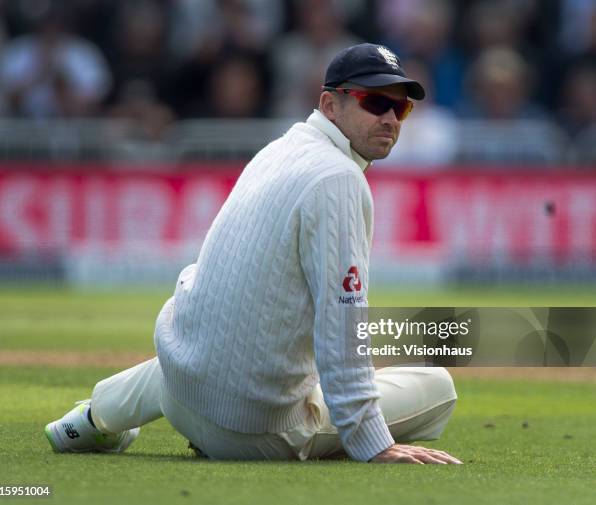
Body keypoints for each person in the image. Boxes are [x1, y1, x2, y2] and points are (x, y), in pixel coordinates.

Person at [44, 43, 461, 465]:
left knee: (202, 342)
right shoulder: (338, 178)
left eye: (401, 108)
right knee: (440, 387)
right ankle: (149, 419)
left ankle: (91, 418)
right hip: (251, 433)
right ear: (329, 105)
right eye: (375, 102)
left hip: (182, 395)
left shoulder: (278, 149)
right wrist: (374, 444)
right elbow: (342, 322)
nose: (390, 119)